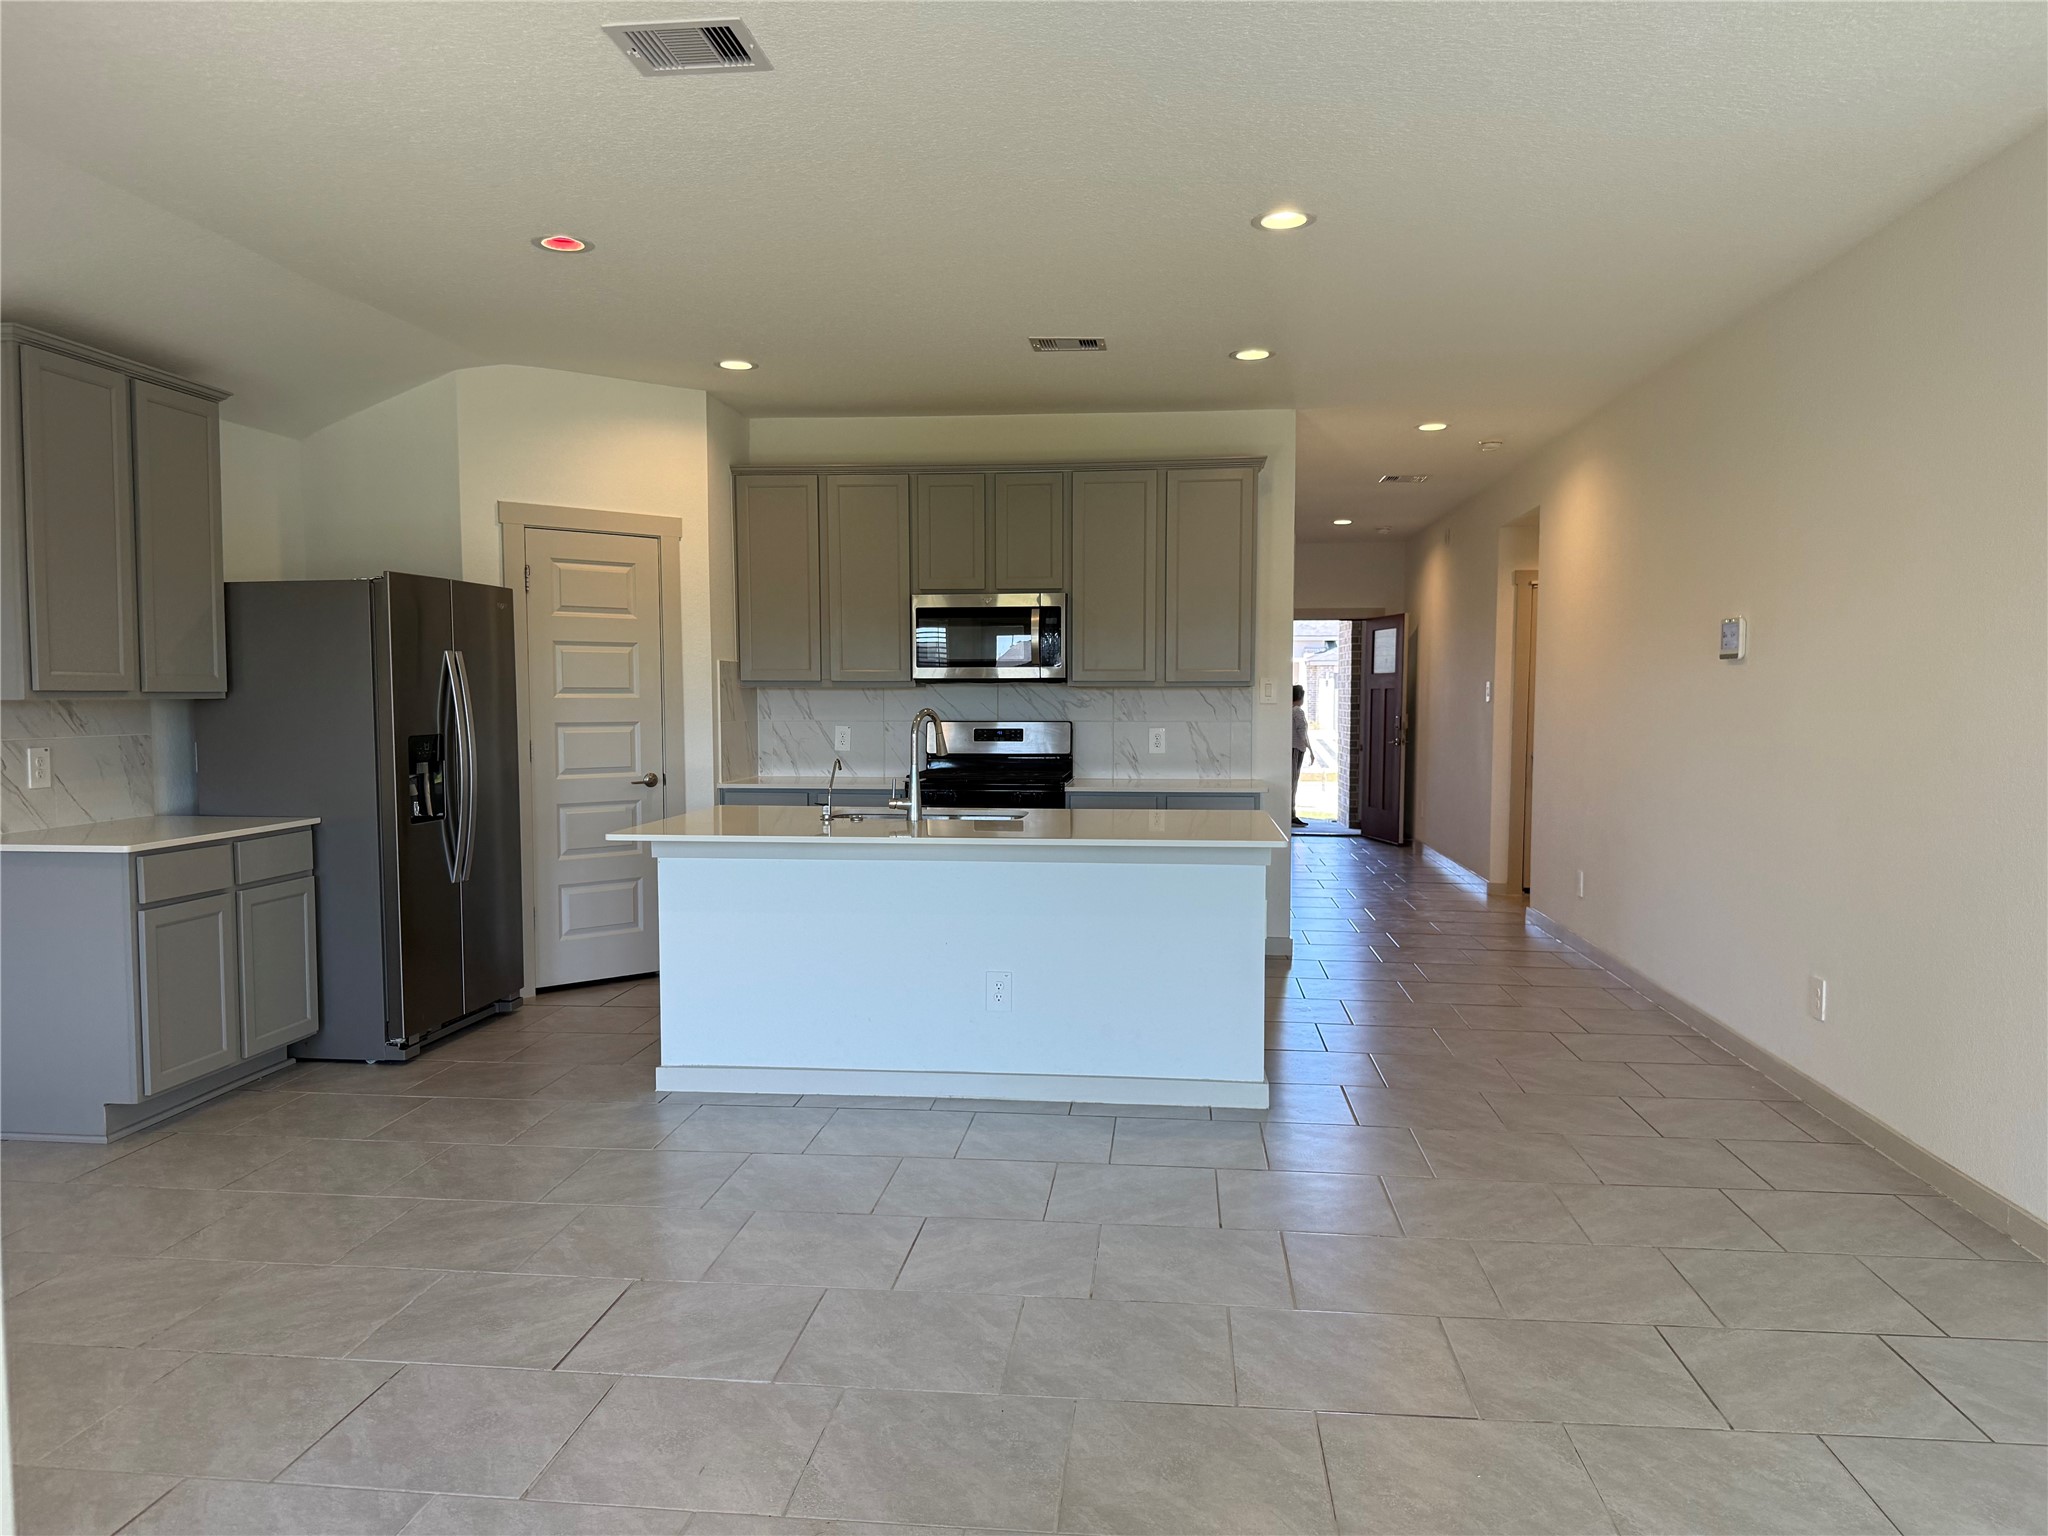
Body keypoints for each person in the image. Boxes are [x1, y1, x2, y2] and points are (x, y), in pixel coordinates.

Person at [1290, 683, 1312, 828]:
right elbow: (1302, 732)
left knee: (1291, 782)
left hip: (1292, 748)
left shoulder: (1289, 710)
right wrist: (1311, 750)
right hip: (1297, 749)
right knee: (1293, 782)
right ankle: (1291, 814)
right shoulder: (1298, 711)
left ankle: (1291, 813)